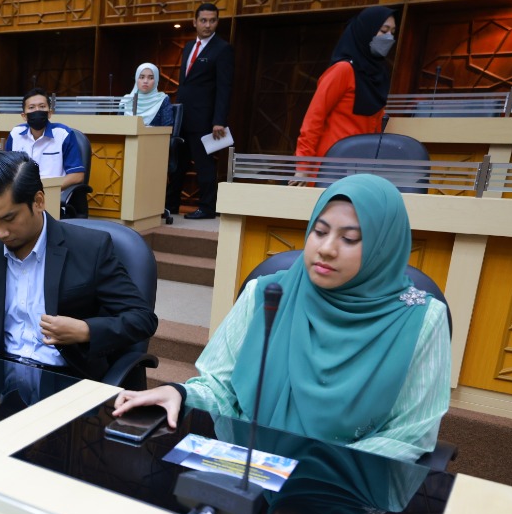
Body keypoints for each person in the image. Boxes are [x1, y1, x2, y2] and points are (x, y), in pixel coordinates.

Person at [114, 173, 450, 462]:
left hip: (342, 483)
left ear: (384, 247)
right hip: (248, 466)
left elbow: (409, 434)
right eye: (319, 231)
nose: (326, 249)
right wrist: (182, 393)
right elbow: (220, 388)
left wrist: (321, 472)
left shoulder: (420, 320)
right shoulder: (267, 294)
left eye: (349, 239)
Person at [0, 150, 157, 381]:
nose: (0, 232)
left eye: (9, 218)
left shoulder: (90, 248)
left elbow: (142, 318)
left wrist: (85, 330)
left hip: (68, 378)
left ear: (38, 201)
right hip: (2, 376)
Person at [291, 6, 397, 185]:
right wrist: (303, 166)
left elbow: (375, 126)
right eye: (383, 30)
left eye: (393, 32)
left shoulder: (379, 76)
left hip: (359, 167)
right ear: (366, 30)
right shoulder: (343, 70)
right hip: (329, 164)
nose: (389, 37)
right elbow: (314, 119)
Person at [171, 3, 234, 220]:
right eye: (204, 20)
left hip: (205, 120)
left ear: (217, 22)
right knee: (177, 164)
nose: (208, 25)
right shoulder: (189, 46)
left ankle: (207, 208)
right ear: (195, 22)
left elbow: (224, 88)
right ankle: (170, 205)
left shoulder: (223, 49)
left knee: (204, 165)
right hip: (182, 118)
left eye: (212, 20)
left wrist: (219, 120)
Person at [4, 88, 85, 190]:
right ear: (24, 116)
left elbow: (77, 175)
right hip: (21, 195)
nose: (37, 110)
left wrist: (44, 190)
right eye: (31, 107)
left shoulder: (63, 134)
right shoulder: (15, 134)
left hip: (53, 194)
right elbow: (6, 171)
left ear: (49, 113)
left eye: (42, 106)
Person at [119, 63, 174, 128]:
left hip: (154, 135)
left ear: (156, 80)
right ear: (136, 79)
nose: (145, 81)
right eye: (142, 77)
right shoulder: (127, 100)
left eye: (151, 78)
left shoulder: (162, 99)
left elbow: (168, 128)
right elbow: (118, 126)